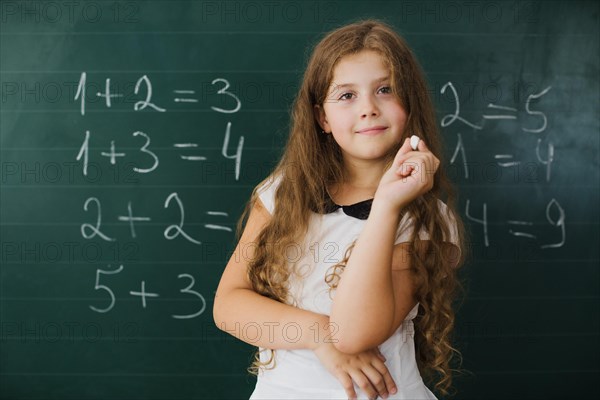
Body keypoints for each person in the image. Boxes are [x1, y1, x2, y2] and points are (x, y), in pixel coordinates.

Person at [213, 19, 466, 400]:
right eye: (346, 96)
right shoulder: (282, 193)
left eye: (385, 89)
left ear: (409, 103)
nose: (368, 109)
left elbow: (353, 333)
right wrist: (319, 339)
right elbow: (229, 306)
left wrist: (385, 205)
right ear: (322, 119)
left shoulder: (427, 222)